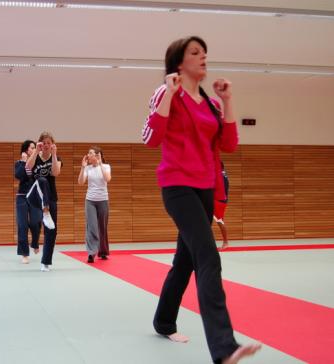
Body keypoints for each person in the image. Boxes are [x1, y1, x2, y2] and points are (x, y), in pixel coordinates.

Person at [142, 36, 261, 364]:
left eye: (205, 52)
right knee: (208, 257)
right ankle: (224, 347)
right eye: (195, 53)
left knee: (186, 260)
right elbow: (151, 139)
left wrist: (228, 99)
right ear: (179, 63)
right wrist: (169, 92)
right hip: (177, 187)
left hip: (204, 188)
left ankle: (163, 321)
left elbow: (230, 144)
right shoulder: (165, 94)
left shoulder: (211, 103)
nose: (203, 57)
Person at [26, 131, 62, 272]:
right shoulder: (35, 156)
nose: (46, 145)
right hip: (35, 196)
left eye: (49, 143)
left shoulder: (56, 158)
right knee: (42, 180)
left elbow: (55, 173)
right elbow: (28, 167)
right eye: (44, 143)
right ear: (40, 144)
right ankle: (45, 211)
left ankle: (45, 262)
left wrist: (53, 154)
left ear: (52, 145)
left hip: (51, 197)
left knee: (51, 230)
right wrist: (36, 151)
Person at [77, 146, 111, 263]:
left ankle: (103, 252)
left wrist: (100, 163)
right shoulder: (87, 168)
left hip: (103, 200)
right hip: (90, 200)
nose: (88, 155)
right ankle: (91, 253)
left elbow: (107, 179)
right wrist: (82, 167)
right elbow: (81, 182)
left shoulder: (106, 167)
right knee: (91, 226)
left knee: (102, 226)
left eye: (90, 153)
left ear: (97, 155)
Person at [14, 140, 41, 264]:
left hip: (34, 197)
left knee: (36, 222)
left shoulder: (37, 163)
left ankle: (35, 242)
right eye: (31, 147)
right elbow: (19, 176)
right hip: (22, 197)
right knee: (22, 225)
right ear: (25, 150)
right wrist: (24, 162)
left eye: (35, 147)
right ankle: (24, 253)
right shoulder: (19, 163)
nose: (33, 149)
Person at [214, 161, 229, 250]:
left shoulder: (220, 175)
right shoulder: (223, 174)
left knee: (220, 221)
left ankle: (226, 242)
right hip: (219, 200)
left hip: (219, 200)